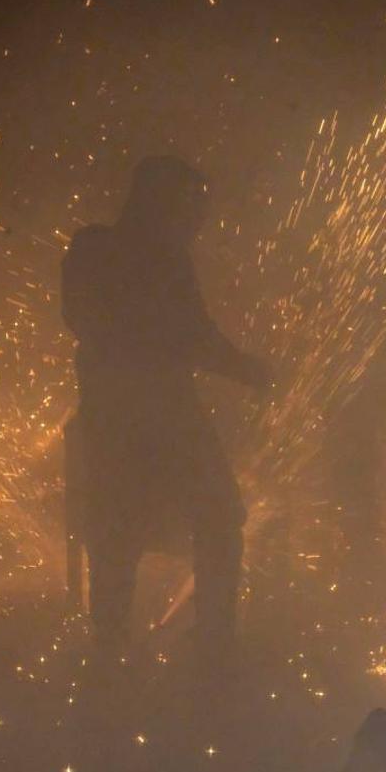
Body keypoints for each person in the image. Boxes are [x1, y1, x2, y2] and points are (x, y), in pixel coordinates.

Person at [61, 155, 270, 667]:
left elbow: (186, 335)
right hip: (146, 420)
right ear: (161, 201)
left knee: (125, 533)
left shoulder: (107, 250)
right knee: (196, 520)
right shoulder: (131, 253)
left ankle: (117, 653)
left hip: (128, 419)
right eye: (190, 205)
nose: (198, 219)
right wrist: (251, 371)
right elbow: (192, 336)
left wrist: (242, 367)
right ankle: (209, 650)